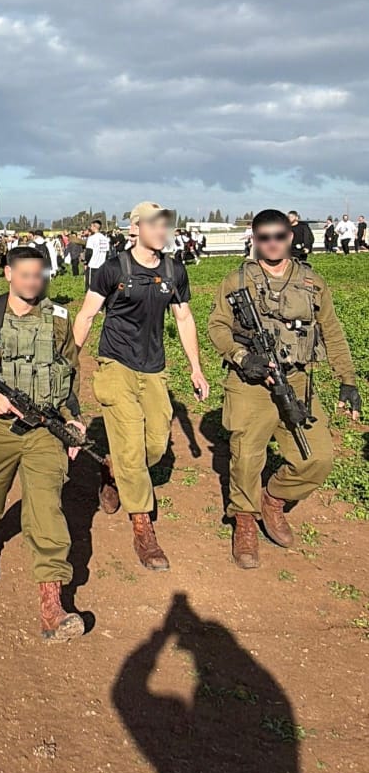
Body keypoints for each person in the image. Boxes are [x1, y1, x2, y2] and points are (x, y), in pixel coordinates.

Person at [0, 246, 87, 642]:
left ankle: (52, 603)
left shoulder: (58, 321)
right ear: (8, 273)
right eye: (25, 274)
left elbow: (69, 374)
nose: (32, 282)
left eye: (39, 274)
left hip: (44, 430)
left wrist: (73, 417)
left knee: (47, 507)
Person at [207, 209, 361, 569]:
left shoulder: (312, 282)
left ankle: (272, 500)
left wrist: (348, 379)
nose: (272, 243)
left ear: (290, 236)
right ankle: (244, 519)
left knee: (317, 458)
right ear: (255, 239)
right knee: (247, 453)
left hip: (297, 380)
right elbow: (217, 326)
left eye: (278, 235)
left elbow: (332, 332)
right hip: (251, 382)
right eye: (264, 237)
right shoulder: (237, 280)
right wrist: (242, 356)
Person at [72, 202, 209, 572]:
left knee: (155, 445)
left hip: (154, 369)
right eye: (154, 224)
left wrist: (196, 368)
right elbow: (86, 315)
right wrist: (69, 364)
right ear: (135, 228)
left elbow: (184, 319)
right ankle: (142, 526)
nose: (162, 230)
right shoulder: (112, 269)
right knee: (132, 443)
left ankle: (113, 469)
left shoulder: (174, 270)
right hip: (115, 364)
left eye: (166, 224)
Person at [84, 219, 111, 292]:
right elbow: (107, 253)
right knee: (100, 285)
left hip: (93, 266)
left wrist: (86, 263)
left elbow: (89, 252)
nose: (90, 228)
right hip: (102, 266)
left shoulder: (92, 238)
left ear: (94, 227)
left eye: (91, 226)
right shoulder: (105, 239)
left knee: (90, 286)